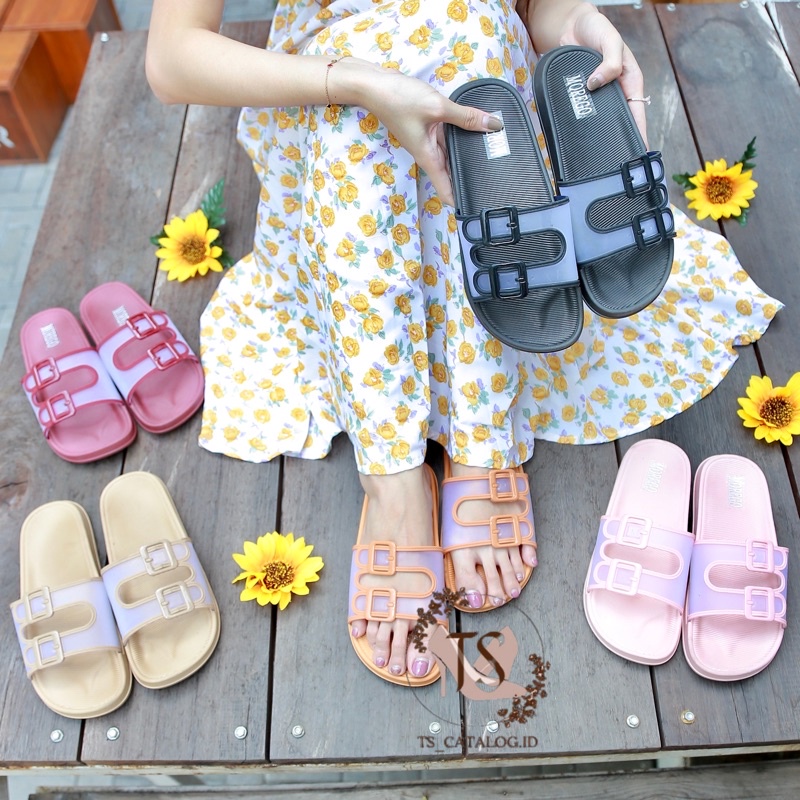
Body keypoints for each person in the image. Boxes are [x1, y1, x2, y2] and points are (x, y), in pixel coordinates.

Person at [146, 0, 778, 682]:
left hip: (494, 138)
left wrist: (573, 25)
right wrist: (348, 79)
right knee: (365, 83)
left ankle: (482, 428)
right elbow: (172, 58)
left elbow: (534, 6)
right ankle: (392, 477)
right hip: (331, 127)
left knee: (470, 38)